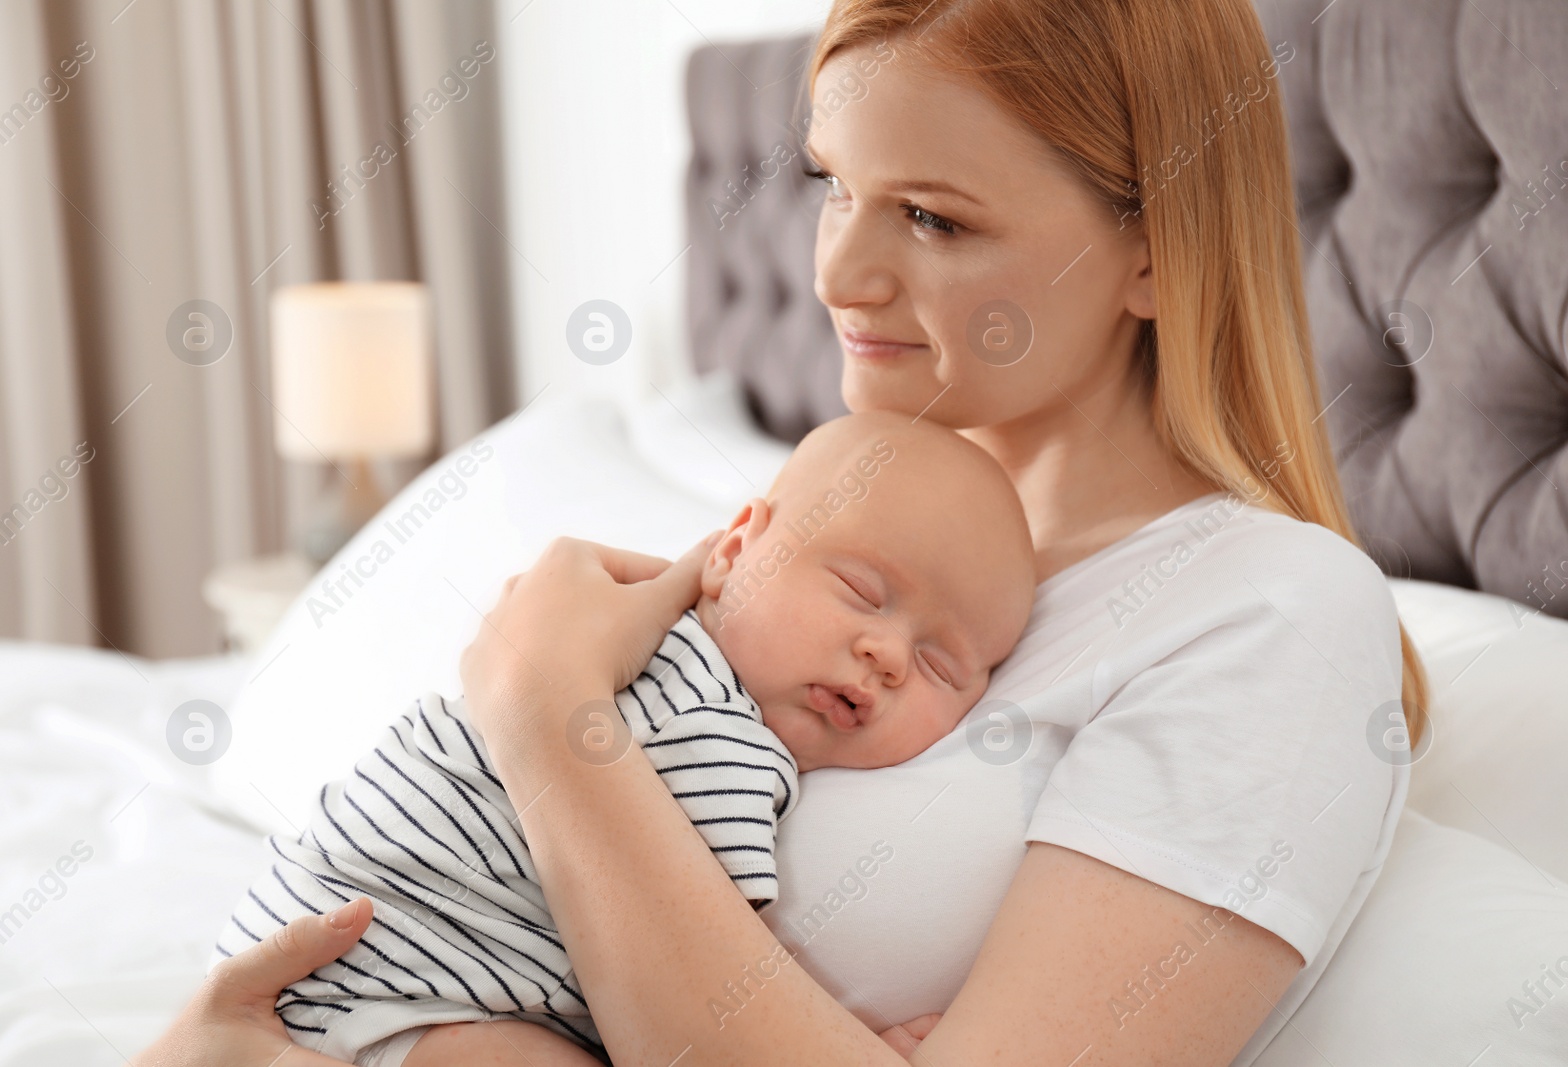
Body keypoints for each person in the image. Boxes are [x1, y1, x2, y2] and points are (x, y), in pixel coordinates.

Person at [135, 0, 1428, 1063]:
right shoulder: (853, 529)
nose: (837, 274)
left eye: (933, 216)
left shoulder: (1269, 612)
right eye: (832, 187)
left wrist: (542, 706)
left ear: (1156, 250)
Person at [209, 412, 1036, 1066]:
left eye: (940, 664)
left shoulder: (617, 645)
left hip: (298, 961)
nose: (888, 656)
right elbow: (709, 984)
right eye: (861, 590)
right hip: (398, 981)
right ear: (737, 547)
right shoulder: (711, 723)